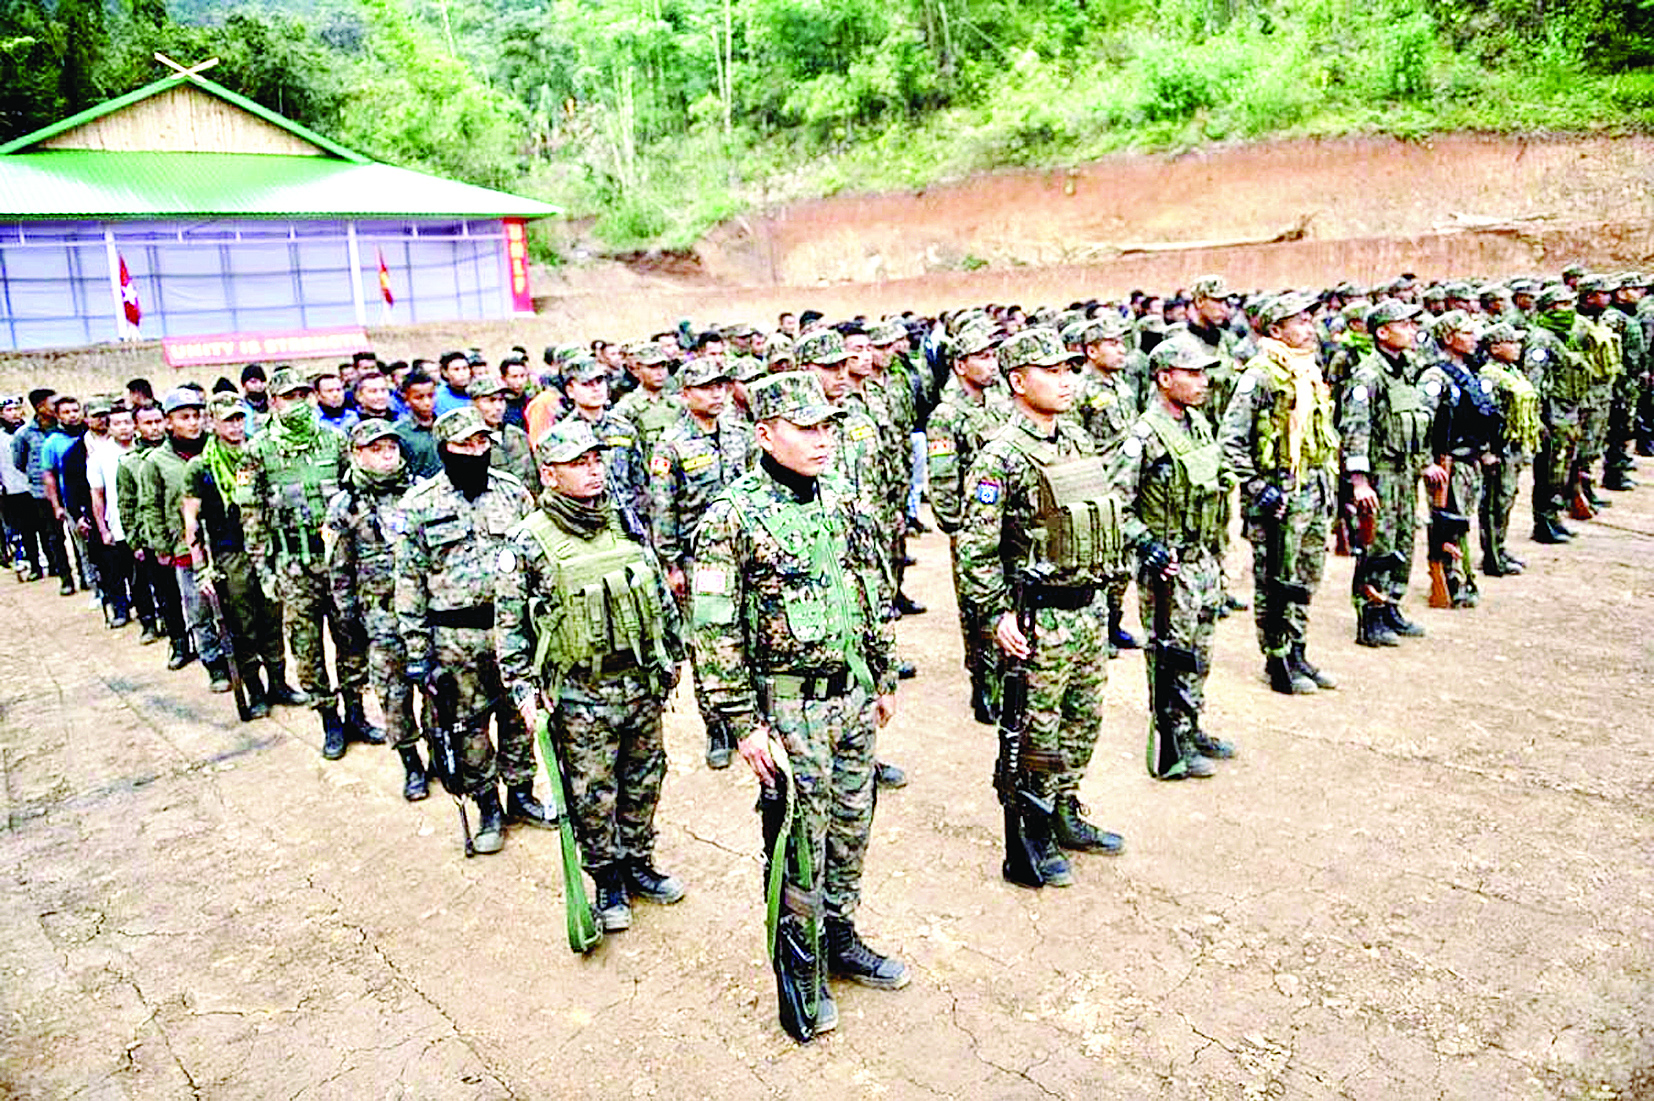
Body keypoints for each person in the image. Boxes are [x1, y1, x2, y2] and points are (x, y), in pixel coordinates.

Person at [693, 371, 909, 1034]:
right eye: (805, 428)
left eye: (826, 426)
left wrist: (880, 674)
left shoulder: (839, 496)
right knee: (798, 844)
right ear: (764, 434)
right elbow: (712, 625)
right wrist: (742, 723)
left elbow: (868, 587)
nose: (822, 440)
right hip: (789, 711)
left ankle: (839, 936)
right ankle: (800, 969)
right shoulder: (732, 515)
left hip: (849, 696)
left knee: (851, 827)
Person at [496, 420, 687, 929]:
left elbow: (657, 594)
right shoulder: (529, 541)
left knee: (644, 778)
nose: (593, 470)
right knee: (592, 790)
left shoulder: (622, 521)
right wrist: (523, 691)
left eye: (596, 460)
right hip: (581, 689)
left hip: (640, 680)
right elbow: (510, 625)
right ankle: (607, 880)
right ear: (550, 475)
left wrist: (674, 650)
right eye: (579, 463)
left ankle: (639, 861)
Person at [958, 327, 1127, 886]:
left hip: (1086, 606)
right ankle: (1031, 831)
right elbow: (975, 547)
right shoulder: (999, 457)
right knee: (1036, 731)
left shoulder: (1075, 440)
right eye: (1050, 371)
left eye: (1067, 369)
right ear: (1017, 381)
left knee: (1083, 718)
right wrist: (995, 616)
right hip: (1038, 617)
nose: (1064, 379)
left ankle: (1064, 809)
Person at [396, 407, 550, 854]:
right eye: (465, 445)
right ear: (445, 449)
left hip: (512, 631)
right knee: (469, 728)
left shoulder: (514, 493)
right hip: (454, 638)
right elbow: (409, 582)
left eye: (482, 443)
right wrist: (417, 653)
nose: (476, 451)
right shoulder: (420, 505)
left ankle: (521, 795)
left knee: (519, 718)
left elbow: (535, 558)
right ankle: (487, 806)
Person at [1109, 336, 1235, 779]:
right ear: (1164, 378)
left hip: (1202, 559)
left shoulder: (1198, 424)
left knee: (1200, 651)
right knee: (1170, 653)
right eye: (1193, 373)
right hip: (1168, 568)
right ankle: (1171, 739)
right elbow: (1116, 505)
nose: (1203, 382)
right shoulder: (1143, 435)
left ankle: (1191, 725)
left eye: (1204, 373)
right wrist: (1147, 545)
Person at [237, 368, 376, 758]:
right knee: (307, 648)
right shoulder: (256, 449)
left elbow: (356, 498)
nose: (296, 404)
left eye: (302, 395)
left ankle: (356, 714)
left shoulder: (336, 440)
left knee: (351, 640)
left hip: (339, 564)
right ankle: (329, 721)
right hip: (294, 567)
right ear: (274, 402)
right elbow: (252, 516)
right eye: (287, 397)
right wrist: (264, 569)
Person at [1219, 292, 1341, 695]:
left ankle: (1298, 650)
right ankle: (1277, 657)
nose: (1309, 328)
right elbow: (1231, 441)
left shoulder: (1306, 370)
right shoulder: (1261, 374)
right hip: (1280, 497)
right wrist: (1258, 487)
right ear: (1275, 330)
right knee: (1276, 580)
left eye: (1309, 320)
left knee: (1306, 576)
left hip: (1314, 489)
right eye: (1299, 321)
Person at [647, 357, 753, 766]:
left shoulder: (741, 436)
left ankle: (751, 718)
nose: (716, 394)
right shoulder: (670, 445)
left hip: (744, 551)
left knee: (750, 630)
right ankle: (717, 728)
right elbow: (663, 509)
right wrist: (671, 564)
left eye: (721, 386)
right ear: (685, 394)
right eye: (706, 387)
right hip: (699, 561)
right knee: (708, 642)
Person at [325, 420, 425, 800]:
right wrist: (347, 615)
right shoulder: (345, 505)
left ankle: (440, 755)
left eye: (392, 448)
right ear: (357, 455)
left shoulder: (420, 492)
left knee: (435, 692)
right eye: (376, 449)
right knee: (393, 694)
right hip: (380, 616)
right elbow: (339, 568)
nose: (387, 456)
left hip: (423, 614)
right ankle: (410, 763)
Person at [183, 394, 295, 717]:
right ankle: (255, 689)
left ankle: (279, 684)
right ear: (212, 423)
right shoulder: (201, 466)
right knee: (242, 625)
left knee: (272, 618)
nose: (235, 426)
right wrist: (201, 568)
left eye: (240, 418)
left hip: (265, 548)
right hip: (229, 553)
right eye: (228, 420)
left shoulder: (259, 454)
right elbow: (191, 520)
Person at [1339, 299, 1438, 645]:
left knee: (1403, 541)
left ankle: (1391, 604)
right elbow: (1356, 427)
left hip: (1405, 471)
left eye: (1413, 324)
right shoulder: (1368, 375)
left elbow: (1417, 419)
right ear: (1382, 332)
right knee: (1376, 543)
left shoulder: (1410, 369)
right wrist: (1359, 481)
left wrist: (1424, 461)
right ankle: (1369, 616)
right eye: (1404, 324)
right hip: (1380, 472)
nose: (1412, 330)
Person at [924, 321, 1007, 723]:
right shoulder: (947, 415)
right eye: (983, 357)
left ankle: (1005, 678)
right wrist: (956, 527)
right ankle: (982, 683)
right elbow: (941, 478)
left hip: (1004, 520)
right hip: (973, 525)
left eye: (994, 356)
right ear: (960, 365)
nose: (992, 364)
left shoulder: (998, 404)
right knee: (976, 607)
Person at [138, 389, 227, 684]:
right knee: (198, 608)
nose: (193, 423)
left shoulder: (218, 451)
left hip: (225, 543)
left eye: (197, 416)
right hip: (185, 547)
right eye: (184, 417)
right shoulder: (156, 461)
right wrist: (161, 545)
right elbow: (150, 505)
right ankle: (213, 663)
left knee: (235, 608)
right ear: (168, 422)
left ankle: (241, 663)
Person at [1419, 310, 1503, 609]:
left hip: (1469, 460)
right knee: (1448, 522)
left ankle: (1462, 574)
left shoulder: (1470, 373)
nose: (1474, 338)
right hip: (1448, 462)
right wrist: (1427, 462)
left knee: (1463, 518)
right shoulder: (1435, 376)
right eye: (1466, 333)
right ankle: (1447, 577)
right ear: (1448, 337)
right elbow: (1424, 422)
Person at [1478, 322, 1542, 576]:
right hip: (1499, 448)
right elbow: (1485, 417)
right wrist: (1486, 451)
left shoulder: (1512, 370)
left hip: (1513, 446)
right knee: (1495, 501)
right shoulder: (1489, 376)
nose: (1518, 347)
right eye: (1511, 342)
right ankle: (1492, 555)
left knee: (1507, 498)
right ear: (1495, 347)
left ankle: (1500, 547)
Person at [558, 356, 649, 534]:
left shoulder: (624, 427)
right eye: (586, 384)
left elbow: (640, 479)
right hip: (586, 523)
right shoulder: (563, 435)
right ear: (570, 390)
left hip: (629, 519)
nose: (596, 389)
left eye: (599, 381)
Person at [116, 404, 174, 647]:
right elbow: (126, 505)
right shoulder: (129, 462)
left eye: (158, 421)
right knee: (163, 592)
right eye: (147, 423)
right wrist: (134, 541)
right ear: (137, 427)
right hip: (150, 536)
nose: (154, 427)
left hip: (179, 532)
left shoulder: (176, 455)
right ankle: (172, 638)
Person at [87, 404, 137, 627]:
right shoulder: (101, 456)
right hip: (117, 524)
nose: (124, 428)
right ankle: (121, 610)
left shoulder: (144, 448)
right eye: (117, 424)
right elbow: (97, 495)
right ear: (109, 428)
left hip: (144, 523)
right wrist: (103, 529)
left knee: (143, 576)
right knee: (119, 571)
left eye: (127, 422)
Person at [468, 376, 538, 489]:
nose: (498, 407)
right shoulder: (470, 443)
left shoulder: (517, 435)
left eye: (501, 400)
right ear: (473, 403)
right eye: (490, 400)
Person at [395, 369, 442, 480]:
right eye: (419, 397)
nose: (427, 403)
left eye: (431, 396)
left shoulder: (446, 425)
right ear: (406, 399)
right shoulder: (400, 433)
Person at [432, 351, 475, 417]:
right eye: (456, 369)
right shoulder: (437, 398)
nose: (462, 373)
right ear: (445, 373)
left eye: (465, 368)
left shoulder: (475, 393)